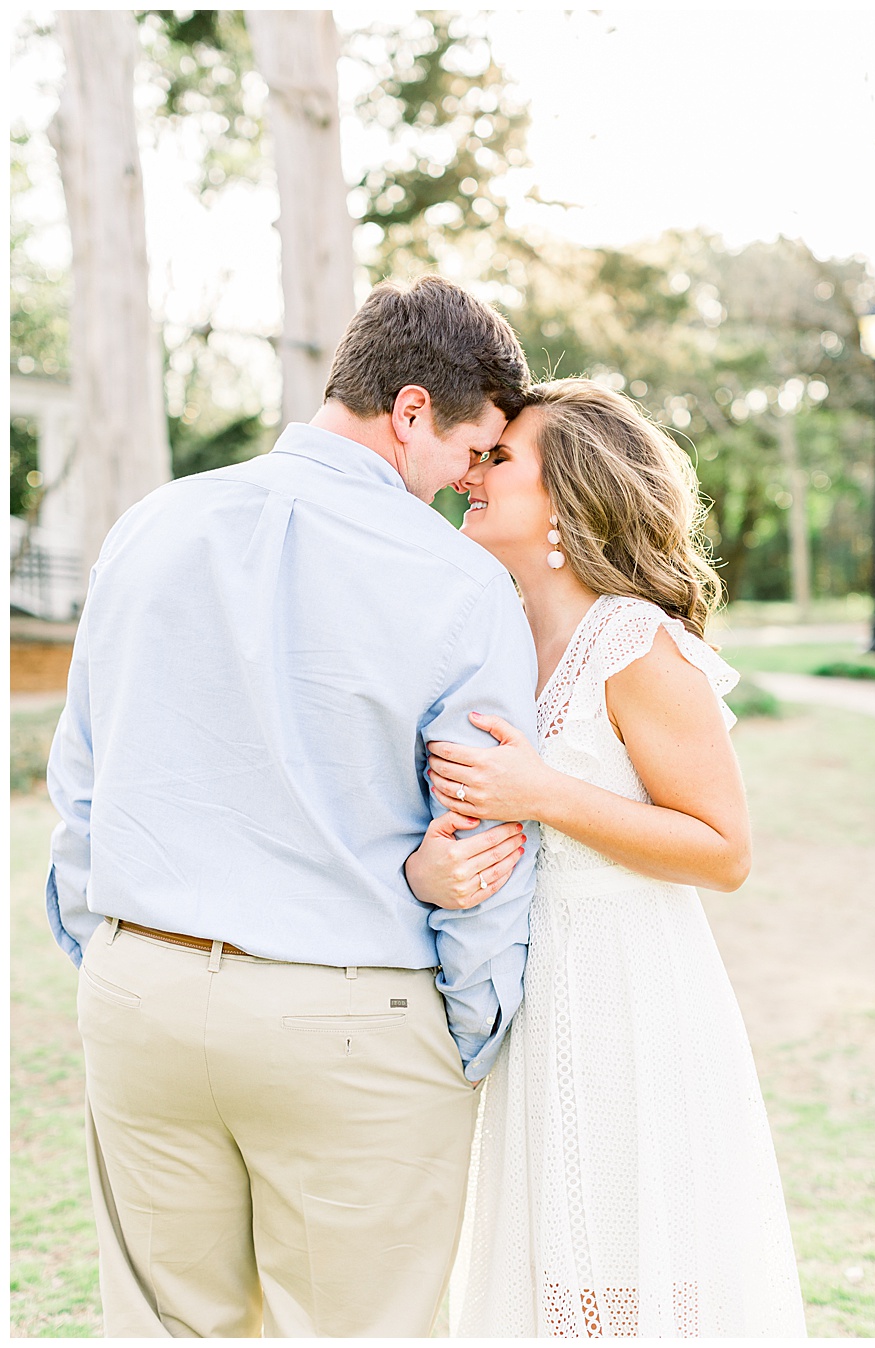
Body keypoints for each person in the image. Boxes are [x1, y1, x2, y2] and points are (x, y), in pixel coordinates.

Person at [45, 275, 540, 1336]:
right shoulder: (460, 584)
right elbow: (487, 835)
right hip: (356, 1021)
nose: (466, 482)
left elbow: (79, 778)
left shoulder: (149, 526)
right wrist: (471, 1028)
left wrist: (113, 953)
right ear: (411, 412)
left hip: (144, 993)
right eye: (470, 449)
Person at [407, 378, 806, 1337]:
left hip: (630, 1000)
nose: (473, 471)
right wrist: (429, 874)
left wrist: (546, 794)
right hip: (535, 1002)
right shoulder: (500, 639)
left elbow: (725, 850)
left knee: (622, 1288)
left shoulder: (632, 641)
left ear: (569, 497)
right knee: (555, 1285)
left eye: (501, 458)